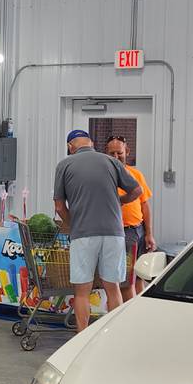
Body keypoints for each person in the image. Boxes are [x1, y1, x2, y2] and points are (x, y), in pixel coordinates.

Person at [53, 129, 141, 333]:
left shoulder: (64, 165)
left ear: (70, 147)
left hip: (84, 233)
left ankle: (81, 338)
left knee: (82, 290)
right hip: (114, 233)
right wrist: (120, 200)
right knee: (113, 287)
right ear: (91, 143)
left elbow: (59, 206)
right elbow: (136, 190)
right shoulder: (111, 162)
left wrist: (71, 225)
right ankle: (112, 338)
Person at [104, 135, 157, 301]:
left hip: (139, 231)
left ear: (126, 152)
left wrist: (149, 233)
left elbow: (145, 206)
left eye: (119, 152)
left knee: (139, 277)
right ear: (105, 153)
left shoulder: (136, 174)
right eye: (111, 153)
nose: (115, 156)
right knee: (127, 281)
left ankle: (140, 311)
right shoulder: (104, 177)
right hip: (121, 234)